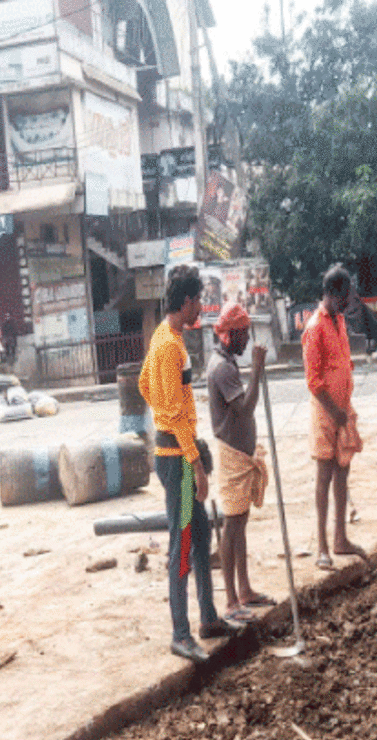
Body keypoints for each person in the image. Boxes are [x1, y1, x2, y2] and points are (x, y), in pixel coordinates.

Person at [138, 265, 244, 662]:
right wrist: (195, 463)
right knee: (183, 546)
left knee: (200, 539)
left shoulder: (166, 337)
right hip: (176, 459)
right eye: (199, 299)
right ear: (186, 302)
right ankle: (180, 633)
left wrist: (166, 416)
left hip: (178, 450)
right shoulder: (168, 346)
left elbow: (144, 385)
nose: (201, 306)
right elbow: (173, 411)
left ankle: (208, 618)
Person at [207, 301, 271, 623]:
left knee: (240, 522)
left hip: (240, 454)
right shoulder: (223, 369)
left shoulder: (227, 362)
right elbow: (245, 409)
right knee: (232, 526)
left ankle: (244, 590)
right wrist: (257, 370)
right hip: (233, 456)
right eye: (243, 335)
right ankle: (231, 601)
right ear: (230, 335)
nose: (247, 341)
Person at [303, 264, 366, 569]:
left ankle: (340, 538)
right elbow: (313, 382)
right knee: (324, 476)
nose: (348, 302)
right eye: (345, 296)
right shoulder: (315, 327)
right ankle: (322, 548)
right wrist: (335, 411)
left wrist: (344, 410)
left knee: (343, 471)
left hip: (342, 411)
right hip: (326, 413)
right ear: (333, 293)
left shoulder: (339, 321)